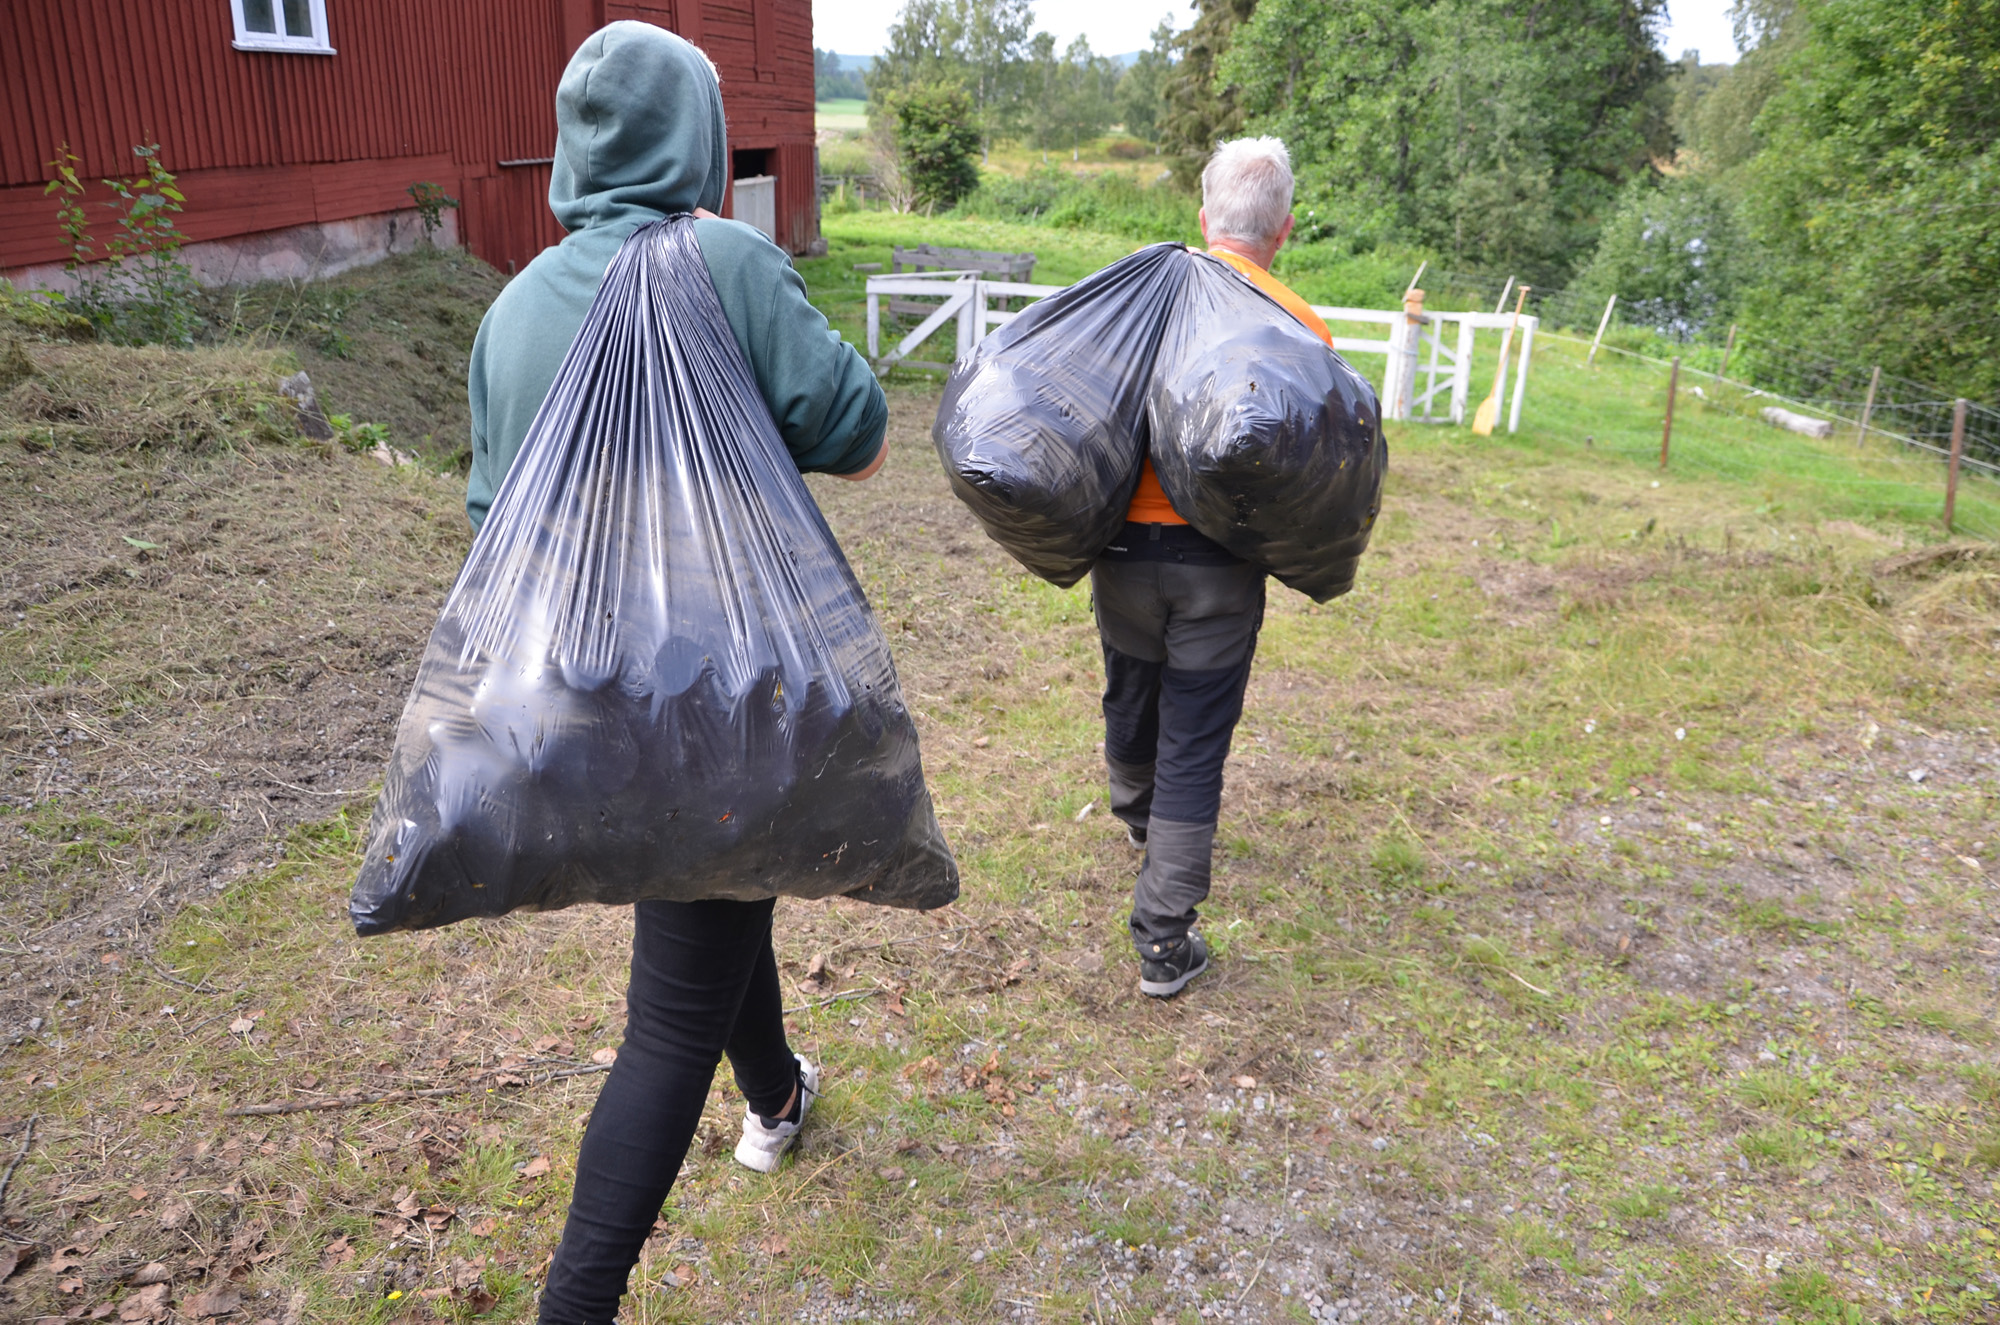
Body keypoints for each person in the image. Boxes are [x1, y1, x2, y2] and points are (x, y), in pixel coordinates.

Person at [463, 23, 889, 1325]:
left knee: (710, 913)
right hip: (721, 709)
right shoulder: (729, 265)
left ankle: (775, 1098)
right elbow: (863, 437)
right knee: (667, 1017)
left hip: (582, 716)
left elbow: (495, 534)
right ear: (699, 139)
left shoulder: (513, 309)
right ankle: (573, 1305)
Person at [1098, 136, 1333, 999]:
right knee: (1194, 738)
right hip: (1220, 573)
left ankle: (1136, 817)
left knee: (1130, 687)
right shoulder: (1304, 329)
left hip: (1124, 552)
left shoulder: (1151, 300)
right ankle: (1164, 941)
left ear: (1204, 221)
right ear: (1284, 232)